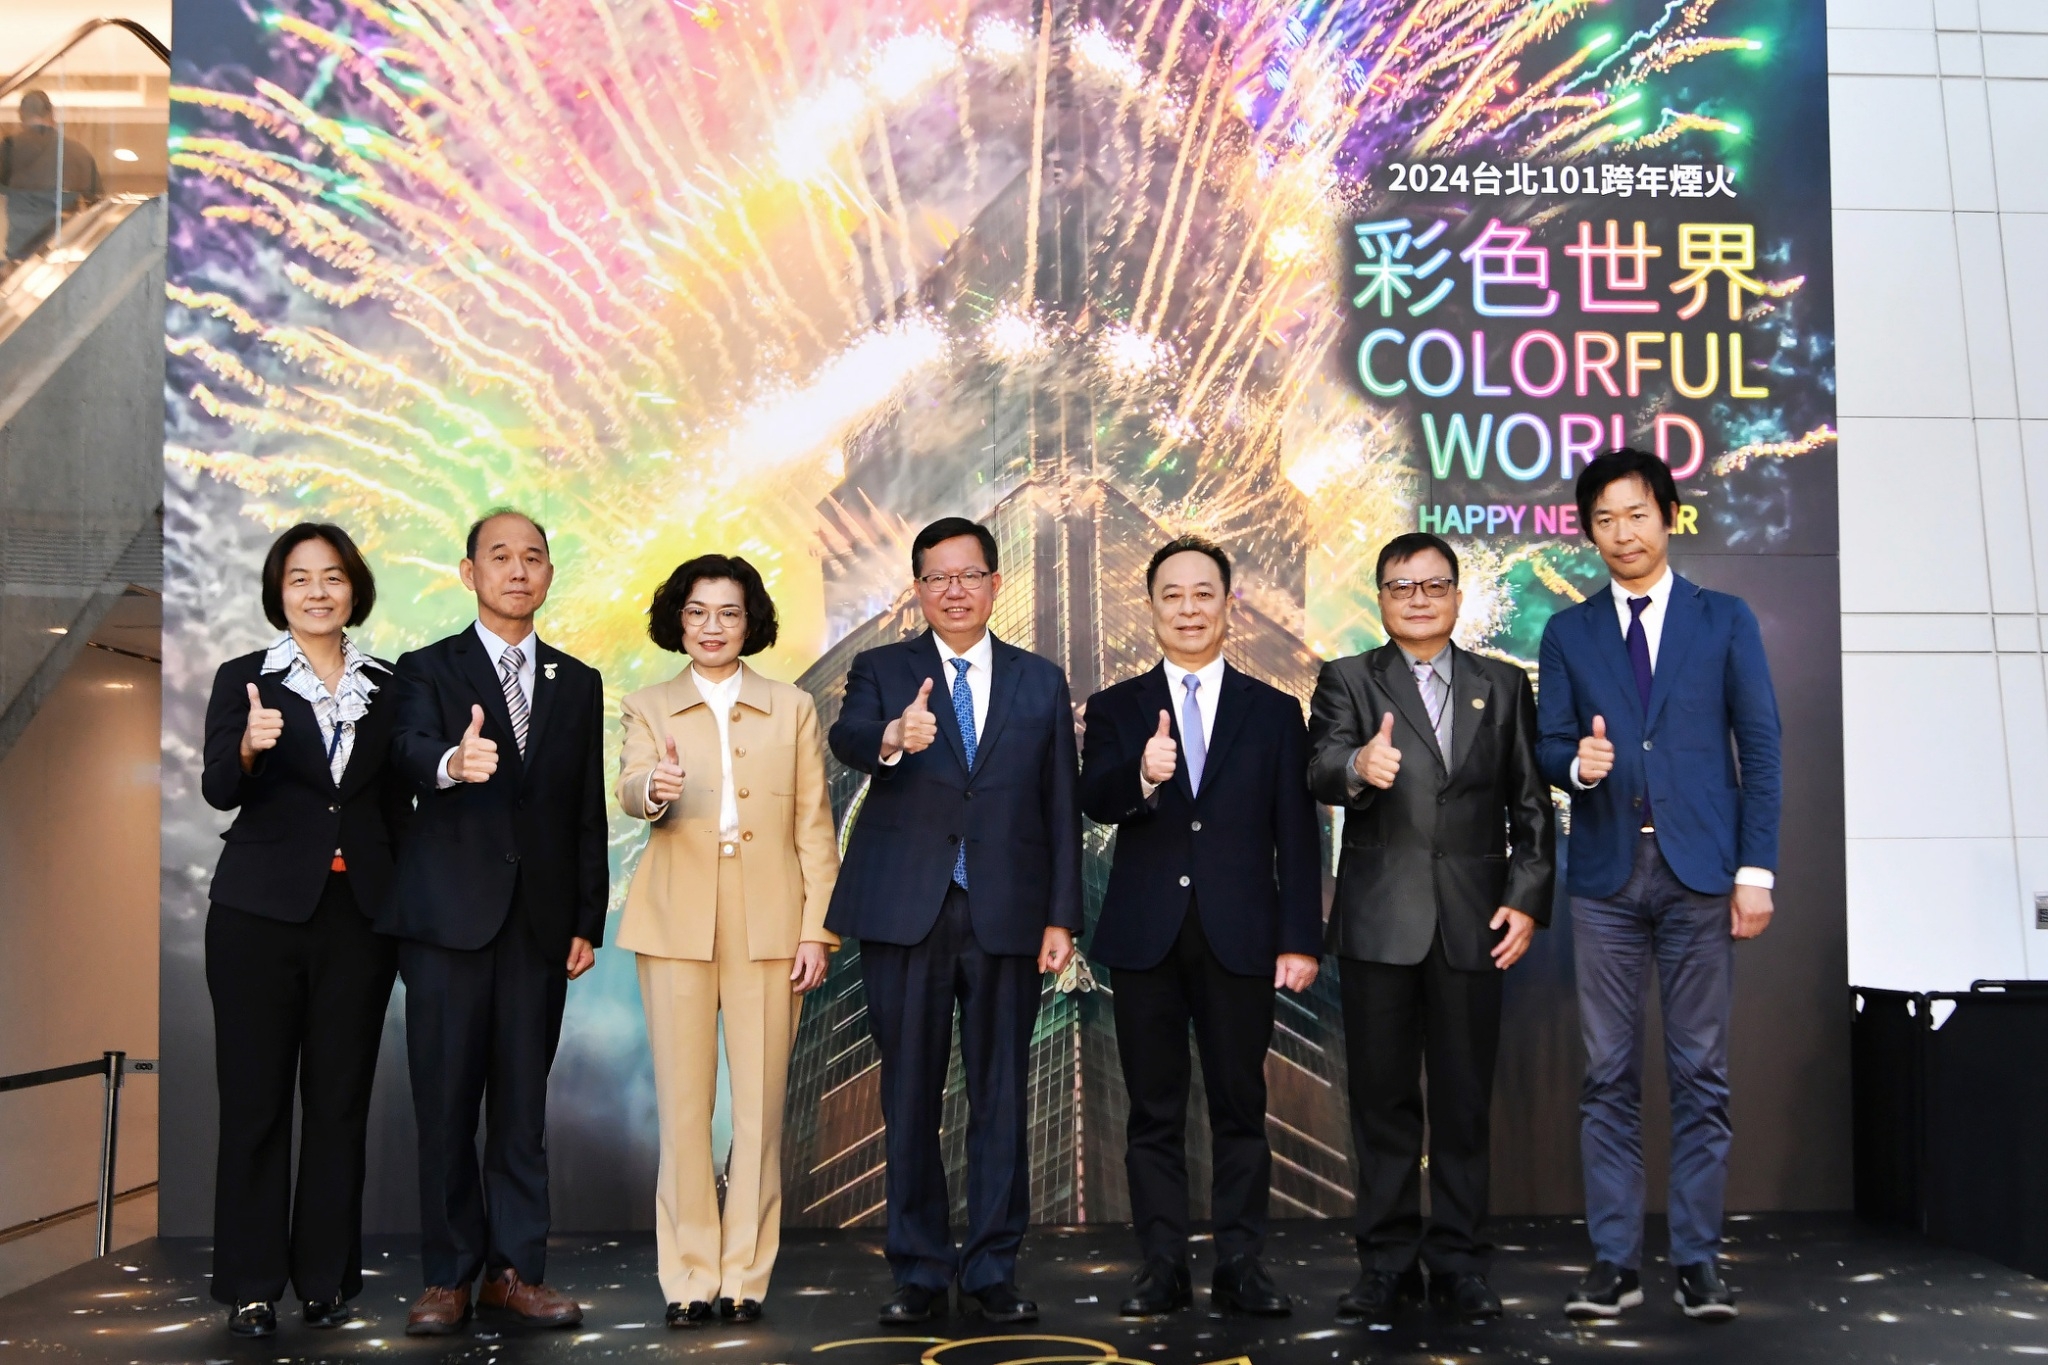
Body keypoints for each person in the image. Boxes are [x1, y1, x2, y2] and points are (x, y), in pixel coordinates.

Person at [1536, 450, 1781, 1322]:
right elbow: (1548, 746)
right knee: (1606, 1074)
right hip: (1605, 877)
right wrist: (1579, 764)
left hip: (1702, 873)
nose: (1622, 533)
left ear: (1667, 515)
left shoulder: (1724, 618)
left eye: (1636, 514)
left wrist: (1756, 870)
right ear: (1588, 531)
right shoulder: (1568, 632)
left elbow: (1761, 746)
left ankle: (1699, 1260)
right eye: (1604, 519)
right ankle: (1615, 1261)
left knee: (1700, 1073)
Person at [825, 516, 1083, 1326]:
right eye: (937, 577)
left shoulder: (1040, 679)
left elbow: (1061, 804)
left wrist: (1062, 917)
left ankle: (993, 1267)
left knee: (1002, 1097)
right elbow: (847, 737)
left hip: (1008, 912)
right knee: (909, 1096)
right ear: (918, 589)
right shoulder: (881, 668)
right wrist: (894, 735)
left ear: (996, 583)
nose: (954, 590)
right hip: (907, 911)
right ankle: (919, 1267)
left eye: (969, 574)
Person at [1307, 532, 1555, 1326]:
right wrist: (1358, 768)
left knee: (1463, 1103)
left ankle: (1460, 1261)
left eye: (1432, 584)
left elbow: (1531, 805)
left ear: (1456, 594)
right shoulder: (1348, 677)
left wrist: (1527, 897)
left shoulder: (1503, 684)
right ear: (1380, 597)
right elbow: (1319, 766)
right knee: (1381, 1103)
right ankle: (1384, 1262)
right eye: (1400, 585)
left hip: (1475, 923)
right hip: (1379, 924)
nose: (1417, 598)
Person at [1078, 536, 1322, 1319]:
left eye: (1203, 593)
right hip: (1145, 935)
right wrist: (1141, 775)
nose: (1189, 609)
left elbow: (1298, 833)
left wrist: (1300, 937)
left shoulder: (1275, 710)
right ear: (1151, 608)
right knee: (1152, 1110)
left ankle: (1243, 1263)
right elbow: (1094, 798)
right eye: (1173, 595)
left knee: (1239, 1106)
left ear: (1228, 604)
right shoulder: (1116, 706)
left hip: (1241, 934)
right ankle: (1162, 1265)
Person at [380, 509, 609, 1336]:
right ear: (469, 572)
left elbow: (584, 806)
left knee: (521, 1109)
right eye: (500, 556)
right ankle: (448, 1277)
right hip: (447, 923)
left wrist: (587, 917)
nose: (518, 570)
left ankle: (515, 1272)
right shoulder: (425, 668)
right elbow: (404, 748)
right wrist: (451, 761)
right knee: (445, 1105)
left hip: (538, 927)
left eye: (533, 557)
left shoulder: (576, 680)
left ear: (549, 572)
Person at [614, 554, 840, 1329]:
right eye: (698, 611)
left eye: (729, 612)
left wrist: (816, 927)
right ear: (678, 620)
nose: (712, 626)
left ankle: (745, 1272)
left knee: (761, 1109)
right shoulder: (647, 705)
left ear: (751, 622)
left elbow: (815, 823)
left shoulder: (792, 705)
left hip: (772, 919)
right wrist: (654, 789)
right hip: (675, 919)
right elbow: (630, 786)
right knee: (683, 1109)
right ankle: (687, 1276)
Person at [198, 523, 405, 1337]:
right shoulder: (243, 678)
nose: (317, 591)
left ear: (355, 587)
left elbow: (396, 806)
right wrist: (249, 750)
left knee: (338, 1102)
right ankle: (251, 1284)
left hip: (358, 920)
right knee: (254, 1104)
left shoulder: (388, 686)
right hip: (256, 917)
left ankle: (325, 1278)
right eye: (299, 578)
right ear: (277, 592)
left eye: (332, 576)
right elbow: (219, 787)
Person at [1, 90, 102, 260]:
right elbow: (97, 201)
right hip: (60, 252)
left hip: (20, 252)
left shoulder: (8, 150)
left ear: (21, 115)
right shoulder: (78, 153)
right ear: (52, 114)